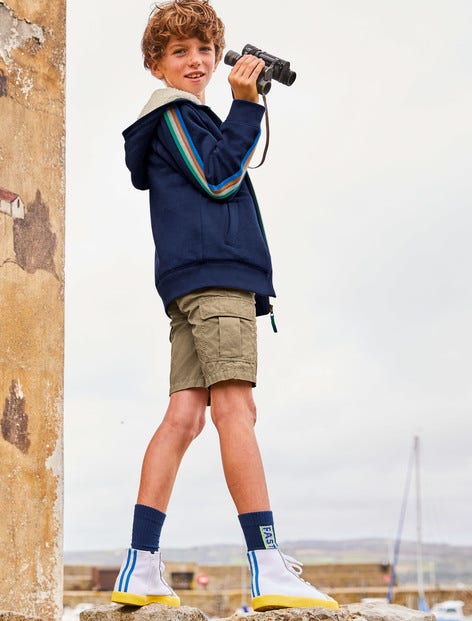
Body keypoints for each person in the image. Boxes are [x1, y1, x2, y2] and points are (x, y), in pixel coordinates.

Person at [111, 0, 339, 612]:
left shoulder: (187, 118)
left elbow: (212, 176)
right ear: (155, 63)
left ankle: (140, 566)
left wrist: (238, 109)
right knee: (237, 410)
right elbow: (218, 179)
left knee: (183, 417)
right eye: (179, 51)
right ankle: (268, 565)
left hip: (191, 283)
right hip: (215, 283)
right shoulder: (177, 114)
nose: (197, 61)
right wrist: (247, 106)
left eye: (205, 49)